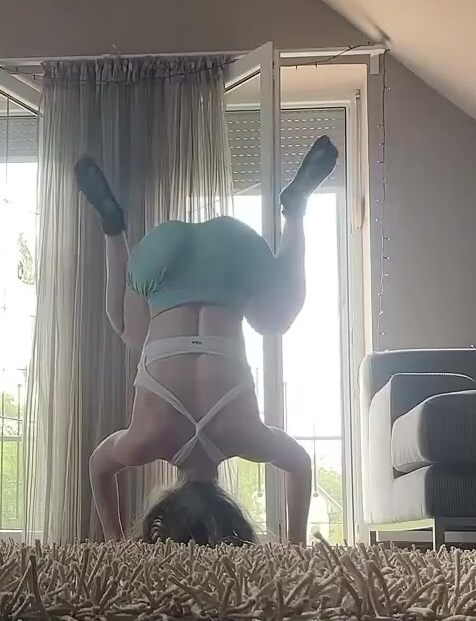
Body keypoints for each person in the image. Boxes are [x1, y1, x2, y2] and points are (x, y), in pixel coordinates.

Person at [76, 136, 337, 545]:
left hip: (235, 254)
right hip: (159, 256)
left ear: (227, 507)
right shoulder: (147, 438)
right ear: (169, 504)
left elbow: (300, 465)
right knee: (129, 330)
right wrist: (114, 542)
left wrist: (296, 545)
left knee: (276, 319)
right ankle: (113, 228)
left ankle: (295, 210)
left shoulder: (244, 435)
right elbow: (98, 466)